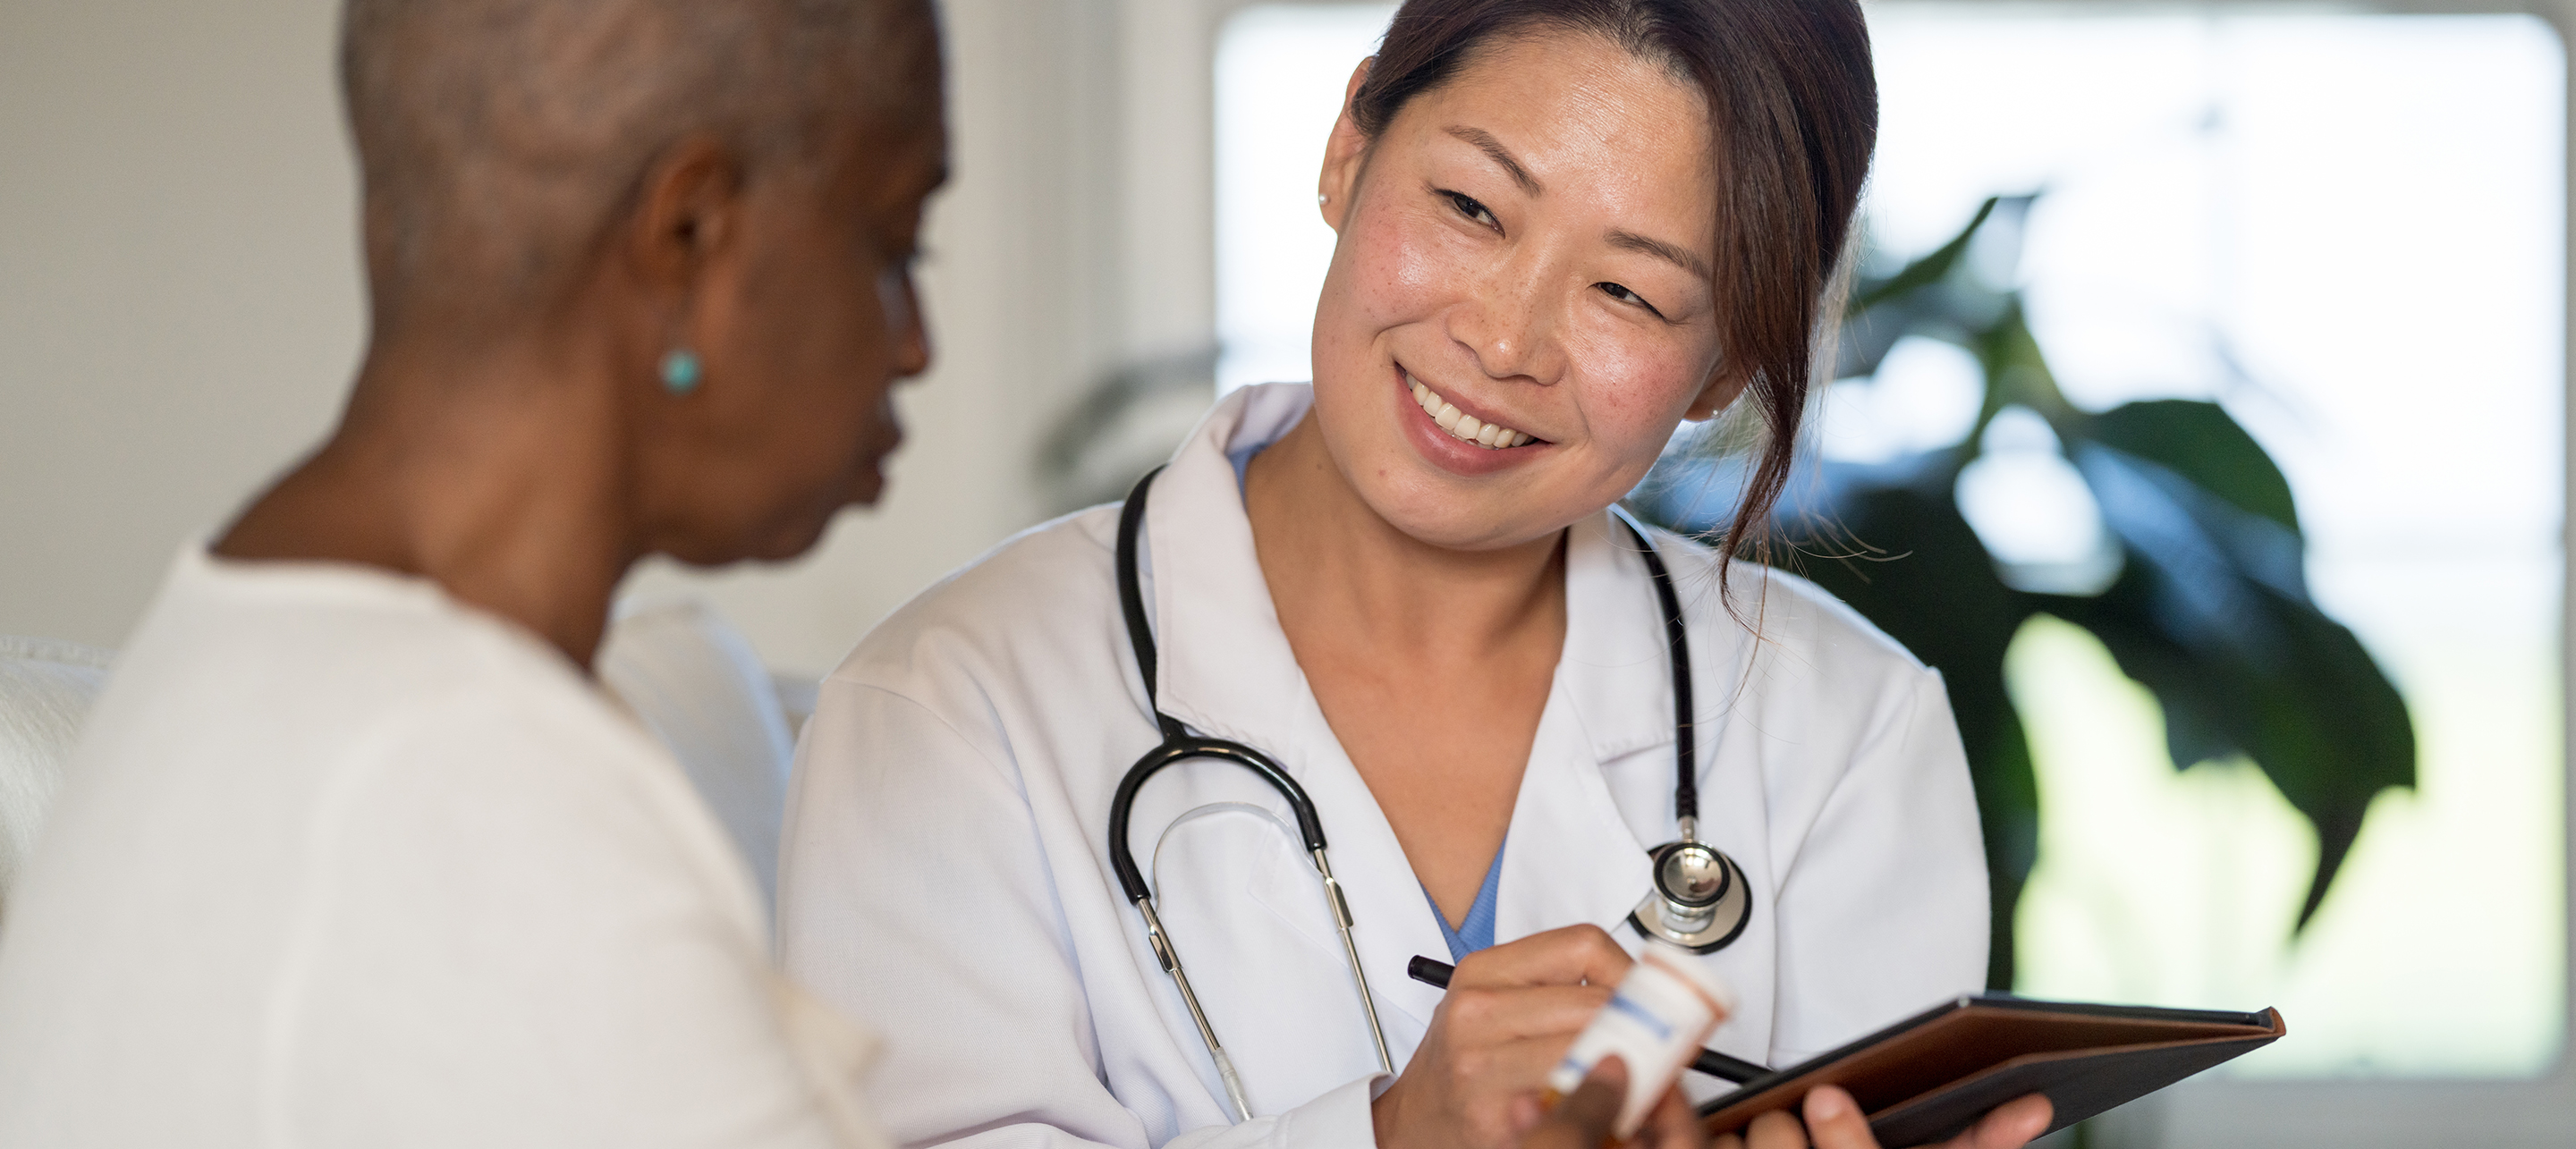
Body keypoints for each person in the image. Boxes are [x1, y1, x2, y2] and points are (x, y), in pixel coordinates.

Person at [779, 1, 2049, 1147]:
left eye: (1627, 291)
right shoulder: (949, 709)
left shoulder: (1847, 737)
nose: (1502, 341)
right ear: (1349, 147)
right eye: (1471, 209)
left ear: (1722, 369)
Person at [0, 1, 944, 1145]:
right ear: (689, 235)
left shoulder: (253, 641)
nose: (914, 343)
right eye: (893, 247)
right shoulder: (470, 792)